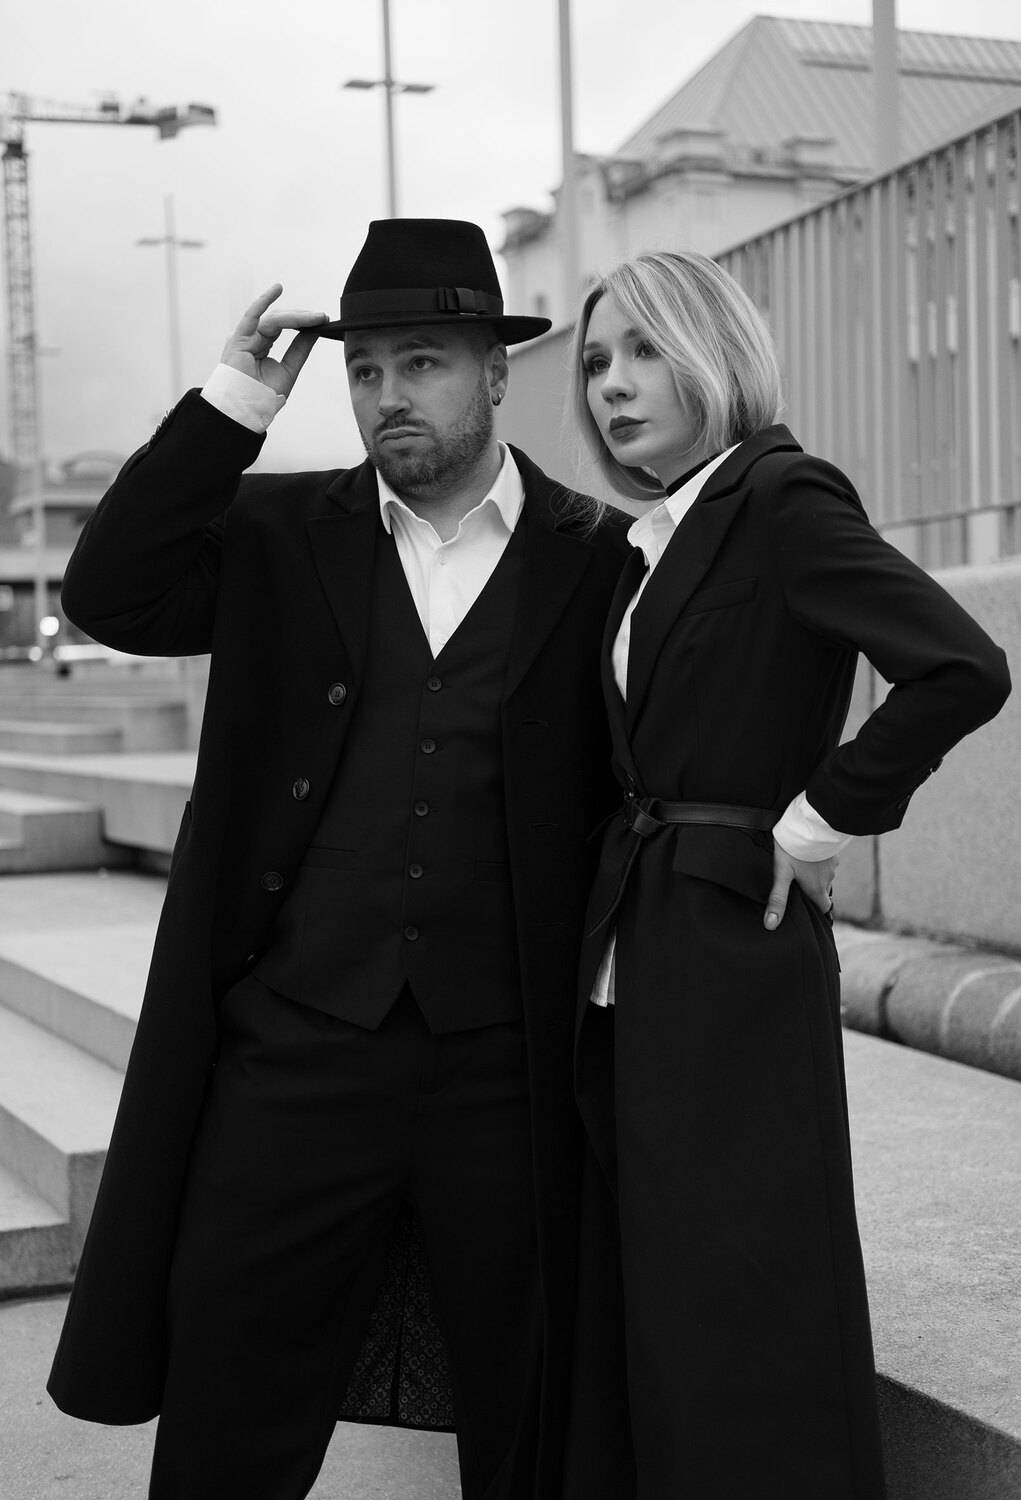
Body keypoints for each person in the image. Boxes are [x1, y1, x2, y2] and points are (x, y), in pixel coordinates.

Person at [47, 219, 630, 1500]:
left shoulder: (599, 557)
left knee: (530, 1410)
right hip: (297, 1053)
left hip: (506, 1068)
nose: (385, 395)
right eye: (363, 370)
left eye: (420, 363)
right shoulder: (274, 532)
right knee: (229, 1409)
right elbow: (110, 594)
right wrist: (235, 404)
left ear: (495, 373)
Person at [566, 251, 1011, 1499]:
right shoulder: (657, 536)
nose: (611, 385)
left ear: (713, 353)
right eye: (595, 362)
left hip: (730, 936)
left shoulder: (778, 494)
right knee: (667, 1269)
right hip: (643, 931)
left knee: (744, 1272)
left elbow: (960, 667)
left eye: (645, 350)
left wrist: (814, 823)